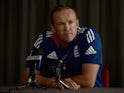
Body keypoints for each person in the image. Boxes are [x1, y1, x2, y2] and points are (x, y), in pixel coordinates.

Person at [21, 5, 103, 89]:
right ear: (53, 28)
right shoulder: (43, 40)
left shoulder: (89, 36)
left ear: (77, 24)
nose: (67, 28)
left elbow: (88, 81)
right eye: (60, 24)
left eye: (70, 22)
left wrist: (57, 82)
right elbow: (27, 78)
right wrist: (53, 83)